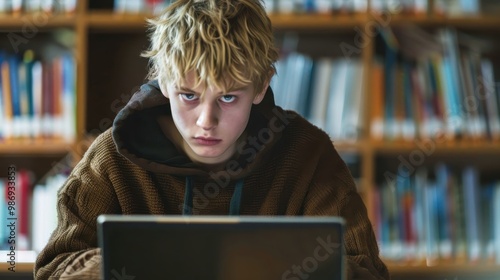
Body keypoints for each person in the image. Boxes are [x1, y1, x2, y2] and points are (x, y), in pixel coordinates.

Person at [34, 0, 390, 279]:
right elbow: (53, 269)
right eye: (188, 95)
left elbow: (367, 272)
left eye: (228, 97)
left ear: (261, 86)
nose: (206, 121)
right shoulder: (112, 158)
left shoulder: (309, 155)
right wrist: (147, 266)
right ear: (163, 81)